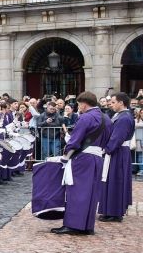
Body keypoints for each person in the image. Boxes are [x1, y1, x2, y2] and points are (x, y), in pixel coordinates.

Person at [51, 91, 111, 235]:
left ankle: (73, 225)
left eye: (78, 104)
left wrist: (65, 157)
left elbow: (75, 140)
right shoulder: (107, 118)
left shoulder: (85, 118)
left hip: (83, 158)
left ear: (84, 104)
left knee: (77, 191)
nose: (79, 107)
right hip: (98, 158)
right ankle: (87, 226)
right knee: (91, 193)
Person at [98, 93, 134, 222]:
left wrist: (107, 149)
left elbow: (117, 137)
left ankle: (114, 212)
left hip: (118, 152)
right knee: (110, 180)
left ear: (121, 103)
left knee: (116, 180)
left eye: (113, 102)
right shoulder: (119, 115)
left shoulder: (124, 118)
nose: (110, 105)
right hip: (116, 151)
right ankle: (109, 210)